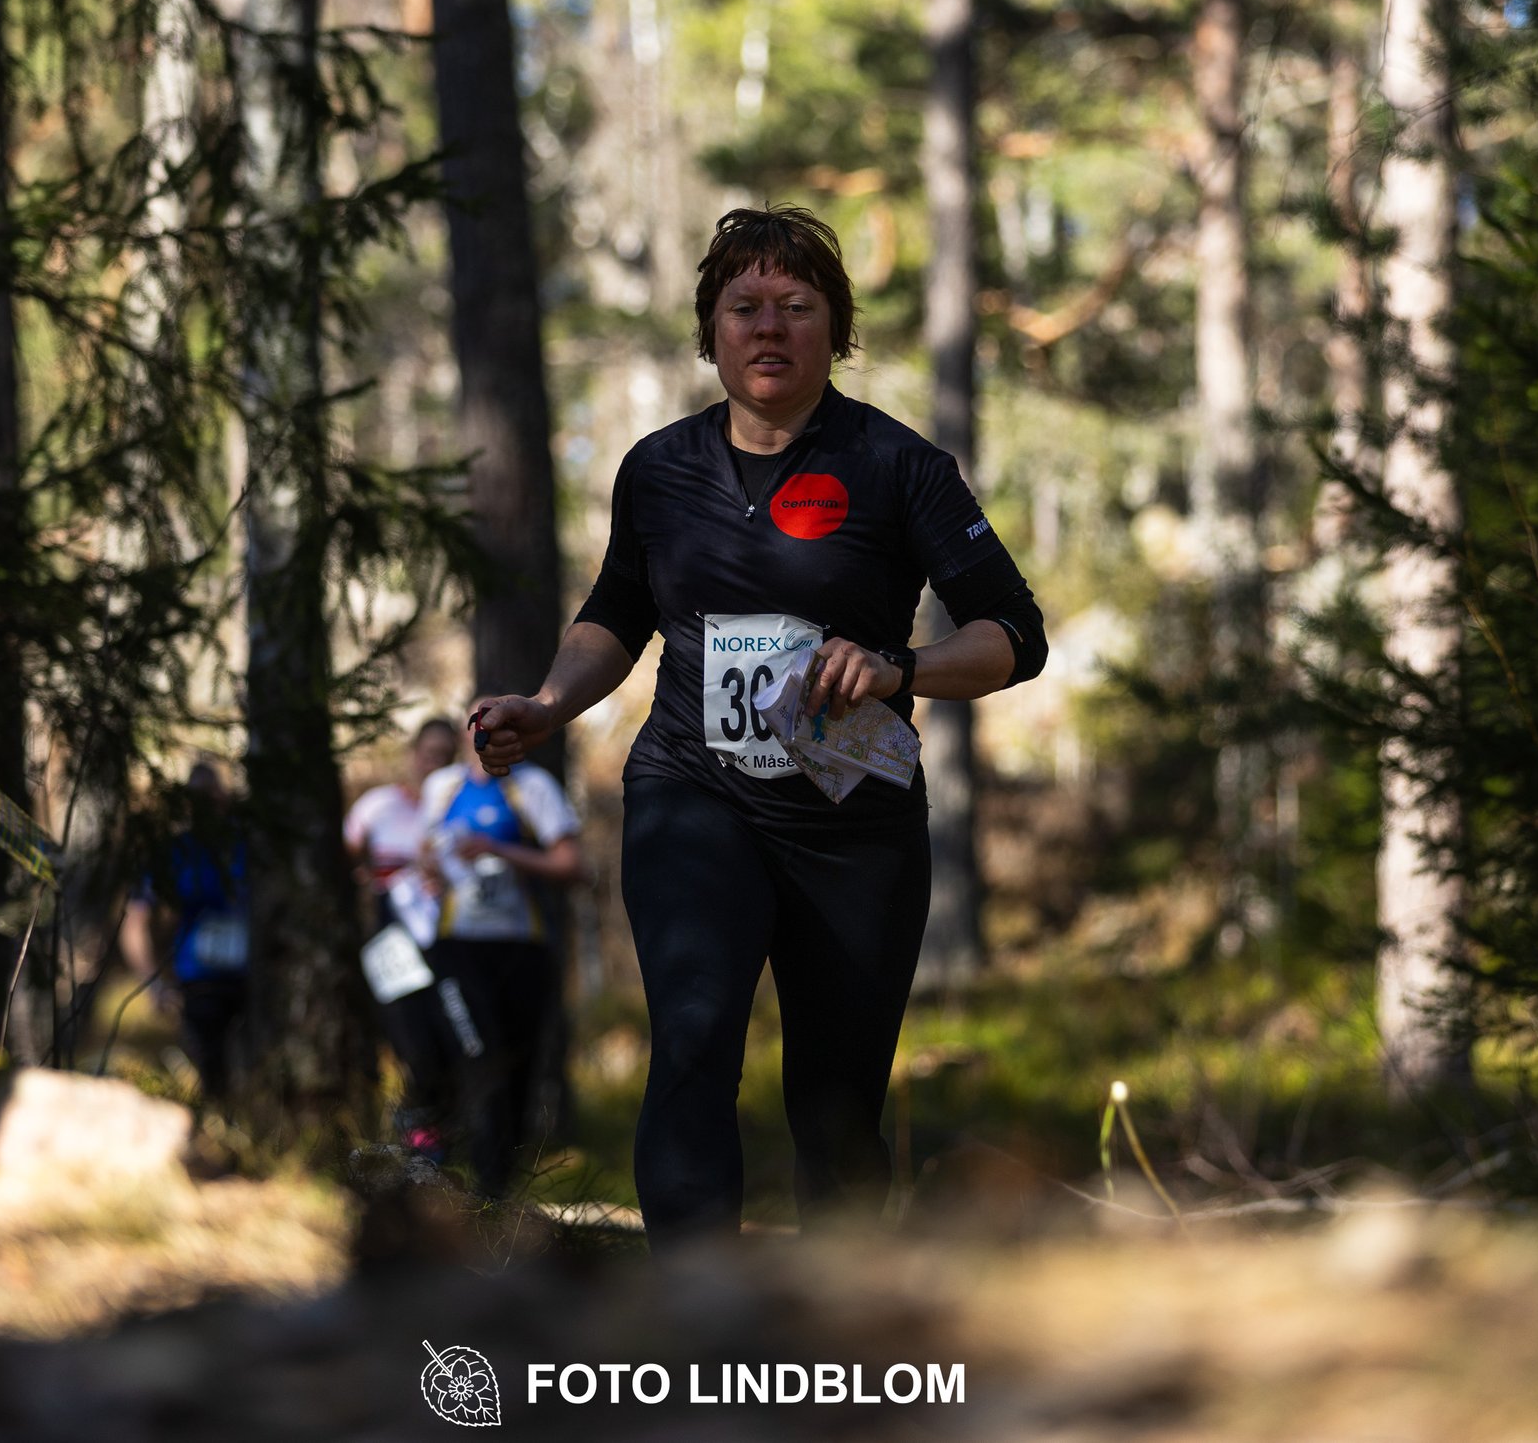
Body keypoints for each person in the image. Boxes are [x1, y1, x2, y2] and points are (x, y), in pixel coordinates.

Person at [472, 204, 1048, 1243]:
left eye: (794, 306)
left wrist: (896, 666)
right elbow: (617, 611)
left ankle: (834, 1321)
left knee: (836, 1098)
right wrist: (547, 701)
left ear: (836, 329)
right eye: (744, 307)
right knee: (692, 1038)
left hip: (853, 818)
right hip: (695, 791)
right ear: (711, 330)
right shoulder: (657, 468)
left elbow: (1015, 633)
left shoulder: (898, 465)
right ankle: (693, 1303)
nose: (768, 328)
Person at [417, 705, 585, 1200]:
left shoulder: (533, 787)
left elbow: (572, 864)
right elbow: (426, 849)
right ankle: (467, 1184)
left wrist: (498, 850)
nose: (489, 737)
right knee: (478, 1056)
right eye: (481, 727)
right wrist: (430, 868)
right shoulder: (442, 787)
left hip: (520, 947)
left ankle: (500, 1195)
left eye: (502, 728)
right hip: (457, 947)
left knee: (518, 1069)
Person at [344, 717, 463, 1153]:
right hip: (392, 944)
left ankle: (438, 1145)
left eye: (445, 756)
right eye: (429, 753)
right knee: (407, 1042)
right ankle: (406, 1138)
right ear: (413, 754)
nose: (435, 763)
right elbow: (342, 858)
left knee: (448, 1043)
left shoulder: (457, 808)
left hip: (447, 945)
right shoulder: (377, 806)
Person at [120, 758, 250, 1101]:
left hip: (255, 982)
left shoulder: (249, 845)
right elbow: (134, 923)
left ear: (224, 796)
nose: (207, 804)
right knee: (213, 1079)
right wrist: (153, 984)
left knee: (258, 1076)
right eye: (197, 797)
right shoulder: (174, 853)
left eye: (212, 794)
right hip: (200, 984)